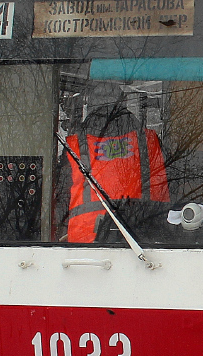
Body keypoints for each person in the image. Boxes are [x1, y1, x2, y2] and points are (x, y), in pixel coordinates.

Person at [61, 82, 169, 242]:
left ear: (89, 106)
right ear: (124, 104)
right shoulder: (149, 141)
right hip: (144, 238)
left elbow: (60, 198)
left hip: (85, 242)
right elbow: (171, 187)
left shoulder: (74, 145)